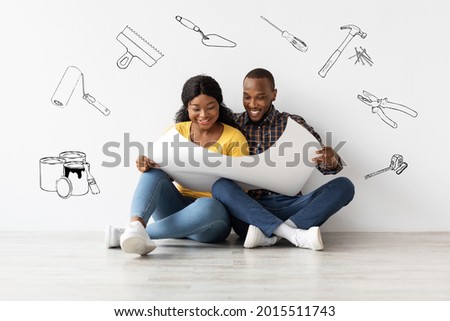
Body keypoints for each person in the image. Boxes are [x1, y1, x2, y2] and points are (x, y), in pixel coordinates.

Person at [212, 68, 355, 250]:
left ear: (274, 94)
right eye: (247, 97)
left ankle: (276, 234)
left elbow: (324, 164)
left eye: (260, 97)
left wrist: (331, 158)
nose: (252, 104)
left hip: (293, 206)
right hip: (251, 211)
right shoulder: (232, 124)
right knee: (220, 186)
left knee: (344, 186)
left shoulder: (292, 123)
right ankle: (294, 235)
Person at [107, 75, 249, 256]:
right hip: (175, 211)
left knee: (208, 206)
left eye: (211, 108)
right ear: (187, 108)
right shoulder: (177, 132)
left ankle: (126, 234)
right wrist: (146, 163)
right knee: (153, 173)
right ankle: (136, 225)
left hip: (211, 219)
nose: (204, 115)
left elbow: (240, 191)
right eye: (196, 109)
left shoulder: (234, 137)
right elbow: (162, 172)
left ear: (219, 106)